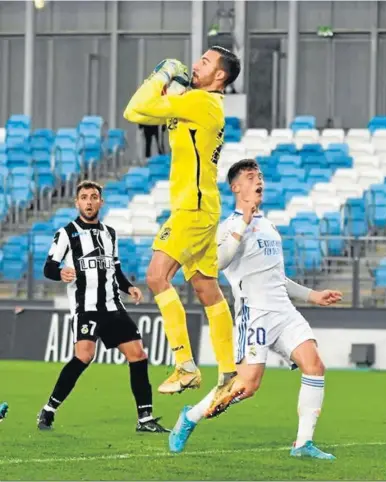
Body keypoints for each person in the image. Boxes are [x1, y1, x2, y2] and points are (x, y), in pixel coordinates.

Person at [169, 159, 342, 459]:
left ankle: (303, 445)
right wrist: (242, 225)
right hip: (255, 315)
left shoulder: (270, 226)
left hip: (284, 312)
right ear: (236, 187)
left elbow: (277, 277)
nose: (258, 180)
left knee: (314, 365)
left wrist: (313, 295)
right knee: (246, 386)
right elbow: (217, 263)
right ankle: (190, 416)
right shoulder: (228, 228)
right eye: (250, 177)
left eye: (259, 176)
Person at [123, 47, 244, 418]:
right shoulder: (197, 103)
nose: (195, 64)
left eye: (205, 63)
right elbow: (136, 111)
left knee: (156, 276)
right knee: (207, 289)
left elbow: (135, 106)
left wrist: (162, 74)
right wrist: (169, 86)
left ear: (220, 77)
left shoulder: (200, 103)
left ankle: (186, 366)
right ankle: (228, 373)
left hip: (192, 207)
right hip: (202, 205)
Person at [37, 180, 169, 434]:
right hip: (86, 307)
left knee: (138, 355)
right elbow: (48, 266)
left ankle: (145, 419)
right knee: (85, 355)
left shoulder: (110, 234)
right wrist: (61, 272)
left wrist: (128, 287)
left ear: (101, 202)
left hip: (112, 306)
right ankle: (49, 409)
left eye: (93, 197)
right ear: (77, 203)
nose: (89, 201)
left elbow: (115, 269)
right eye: (84, 197)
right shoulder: (66, 233)